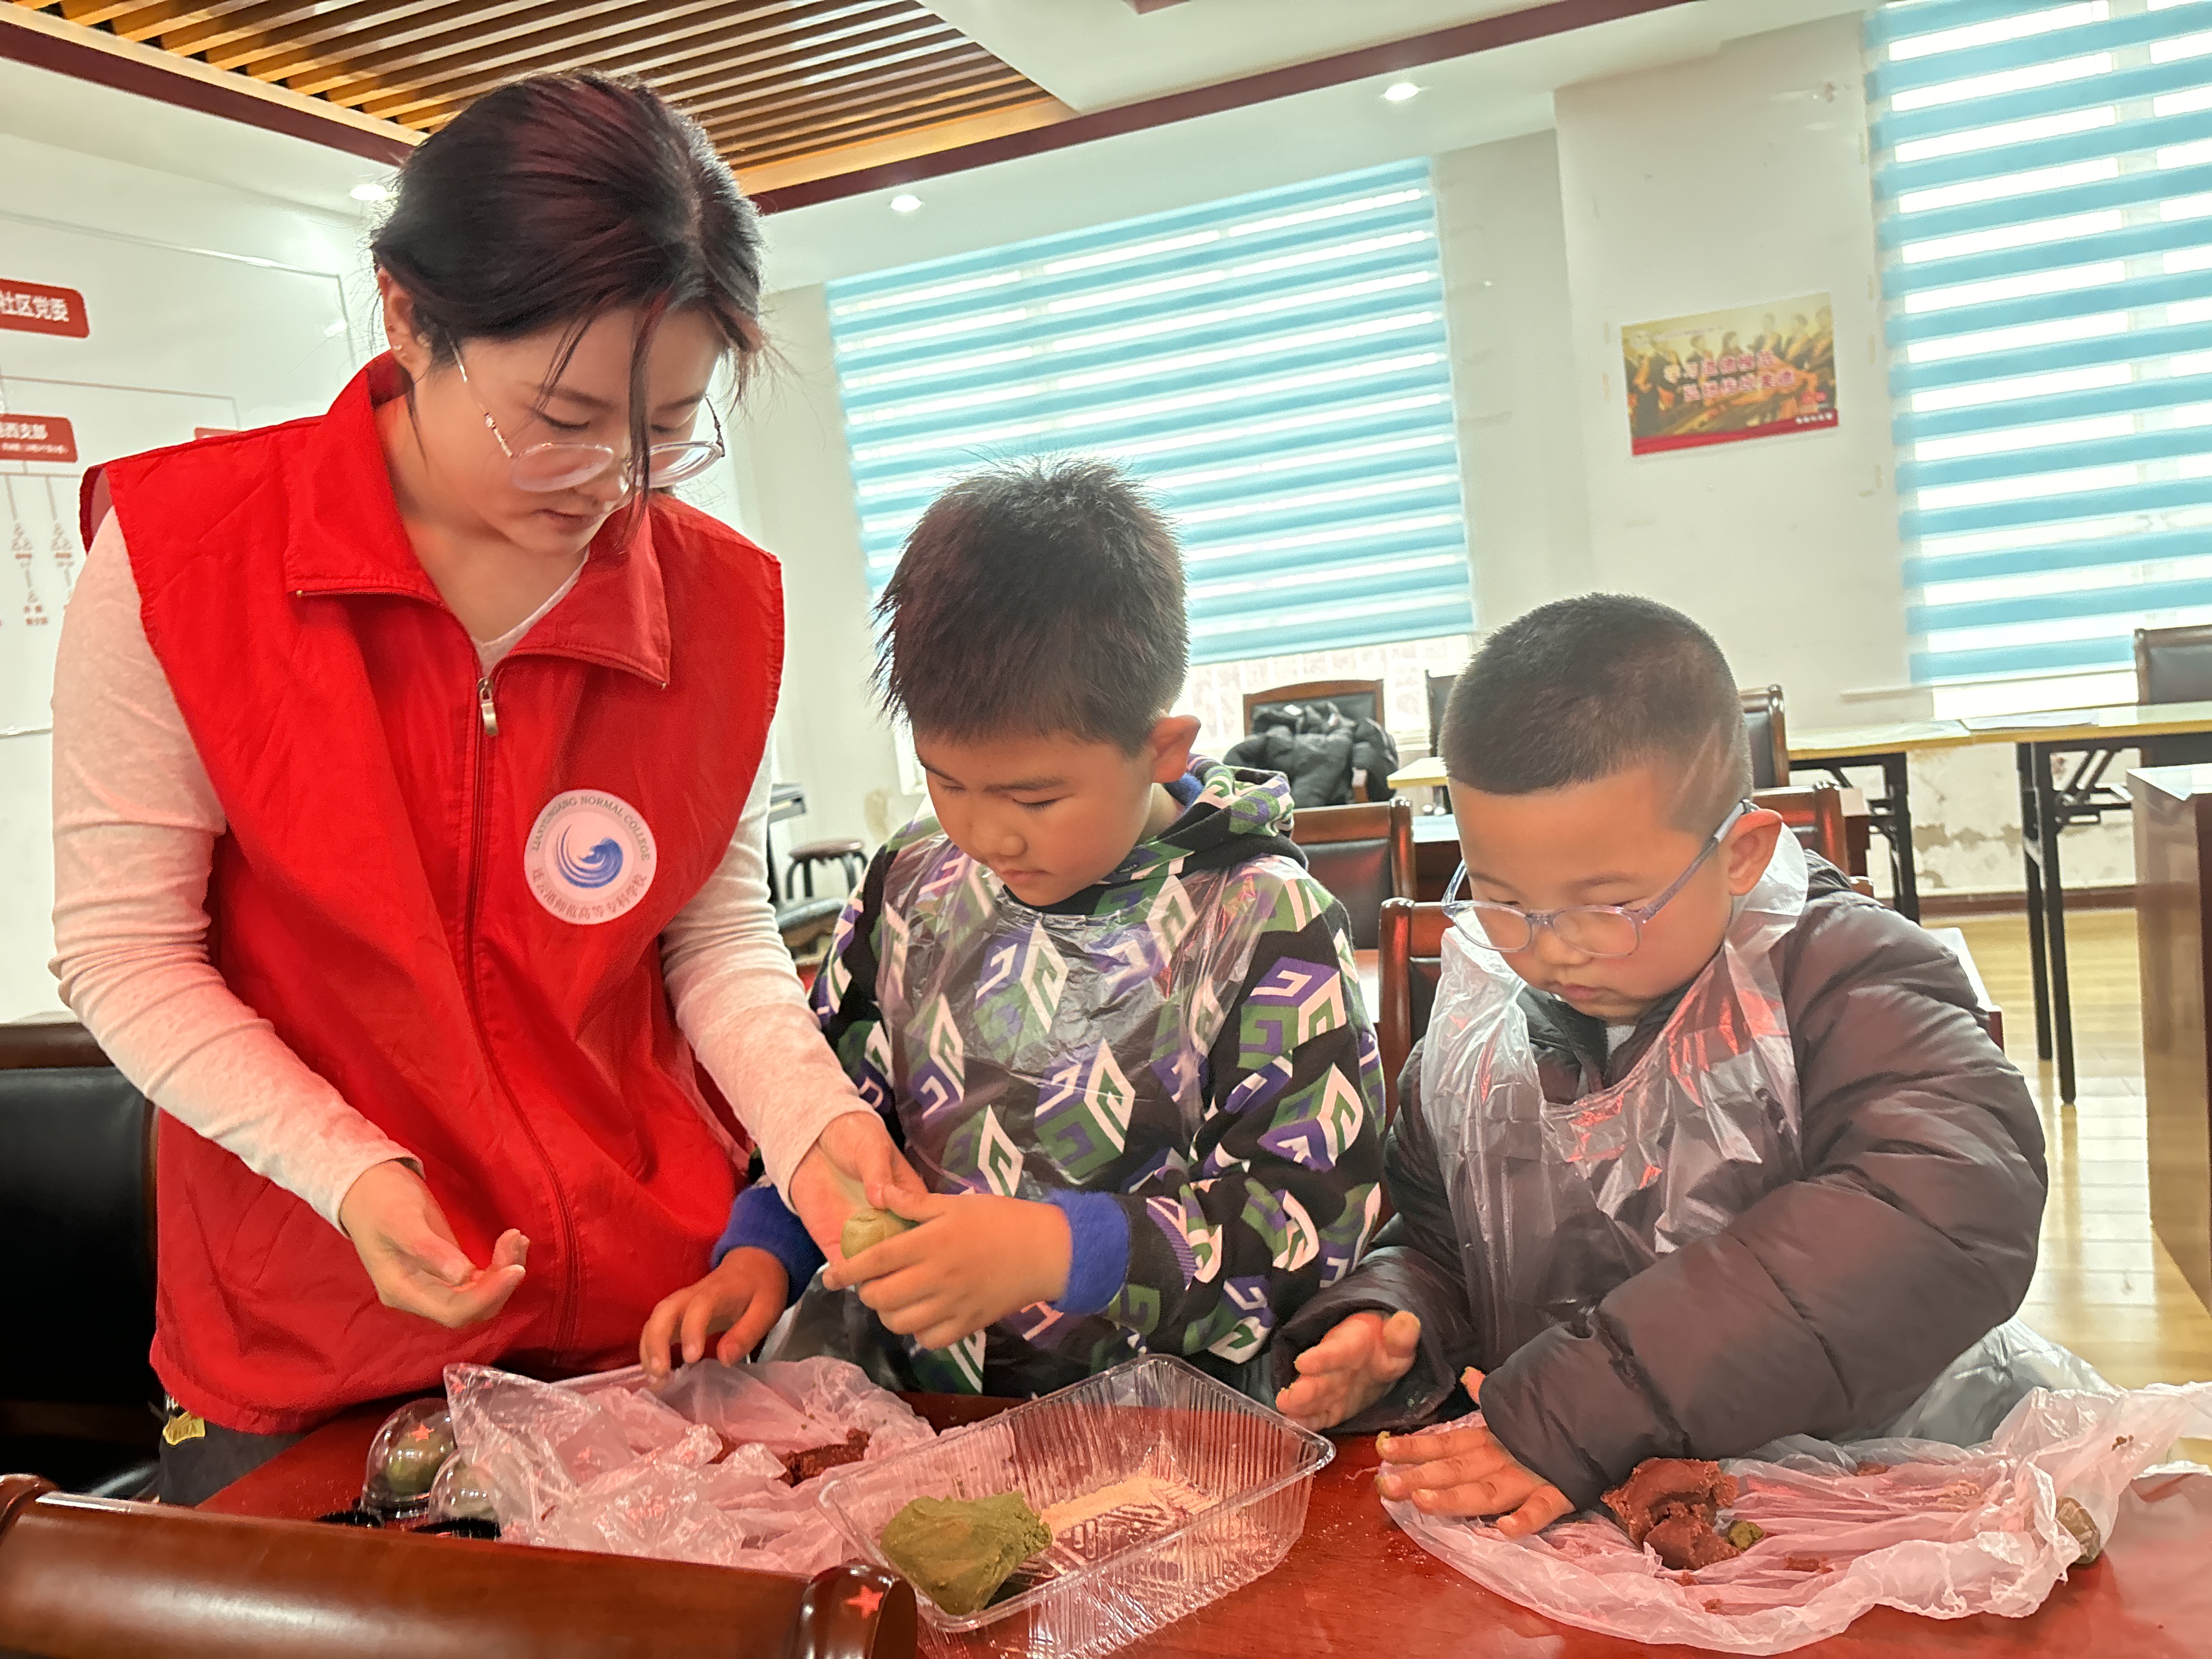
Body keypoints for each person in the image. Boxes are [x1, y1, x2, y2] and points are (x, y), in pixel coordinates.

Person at [49, 73, 905, 1505]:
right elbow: (127, 954)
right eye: (557, 416)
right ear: (406, 319)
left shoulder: (716, 602)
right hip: (313, 1314)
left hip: (641, 1315)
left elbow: (708, 935)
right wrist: (351, 1172)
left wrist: (817, 1130)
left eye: (668, 426)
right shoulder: (183, 560)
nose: (609, 481)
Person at [1271, 595, 2045, 1536]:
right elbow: (1445, 1235)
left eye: (1608, 907)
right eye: (1505, 900)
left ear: (1741, 854)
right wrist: (1397, 1319)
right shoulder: (1482, 1034)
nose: (1553, 950)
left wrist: (1588, 1399)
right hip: (1592, 1501)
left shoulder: (1841, 979)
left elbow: (1943, 1211)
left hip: (1865, 1495)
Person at [640, 460, 1387, 1396]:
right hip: (921, 1414)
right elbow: (835, 1116)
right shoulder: (912, 882)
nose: (986, 834)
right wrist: (763, 1253)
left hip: (1171, 1441)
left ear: (1162, 749)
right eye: (947, 782)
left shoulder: (1263, 925)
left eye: (1035, 796)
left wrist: (1056, 1250)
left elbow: (1307, 1226)